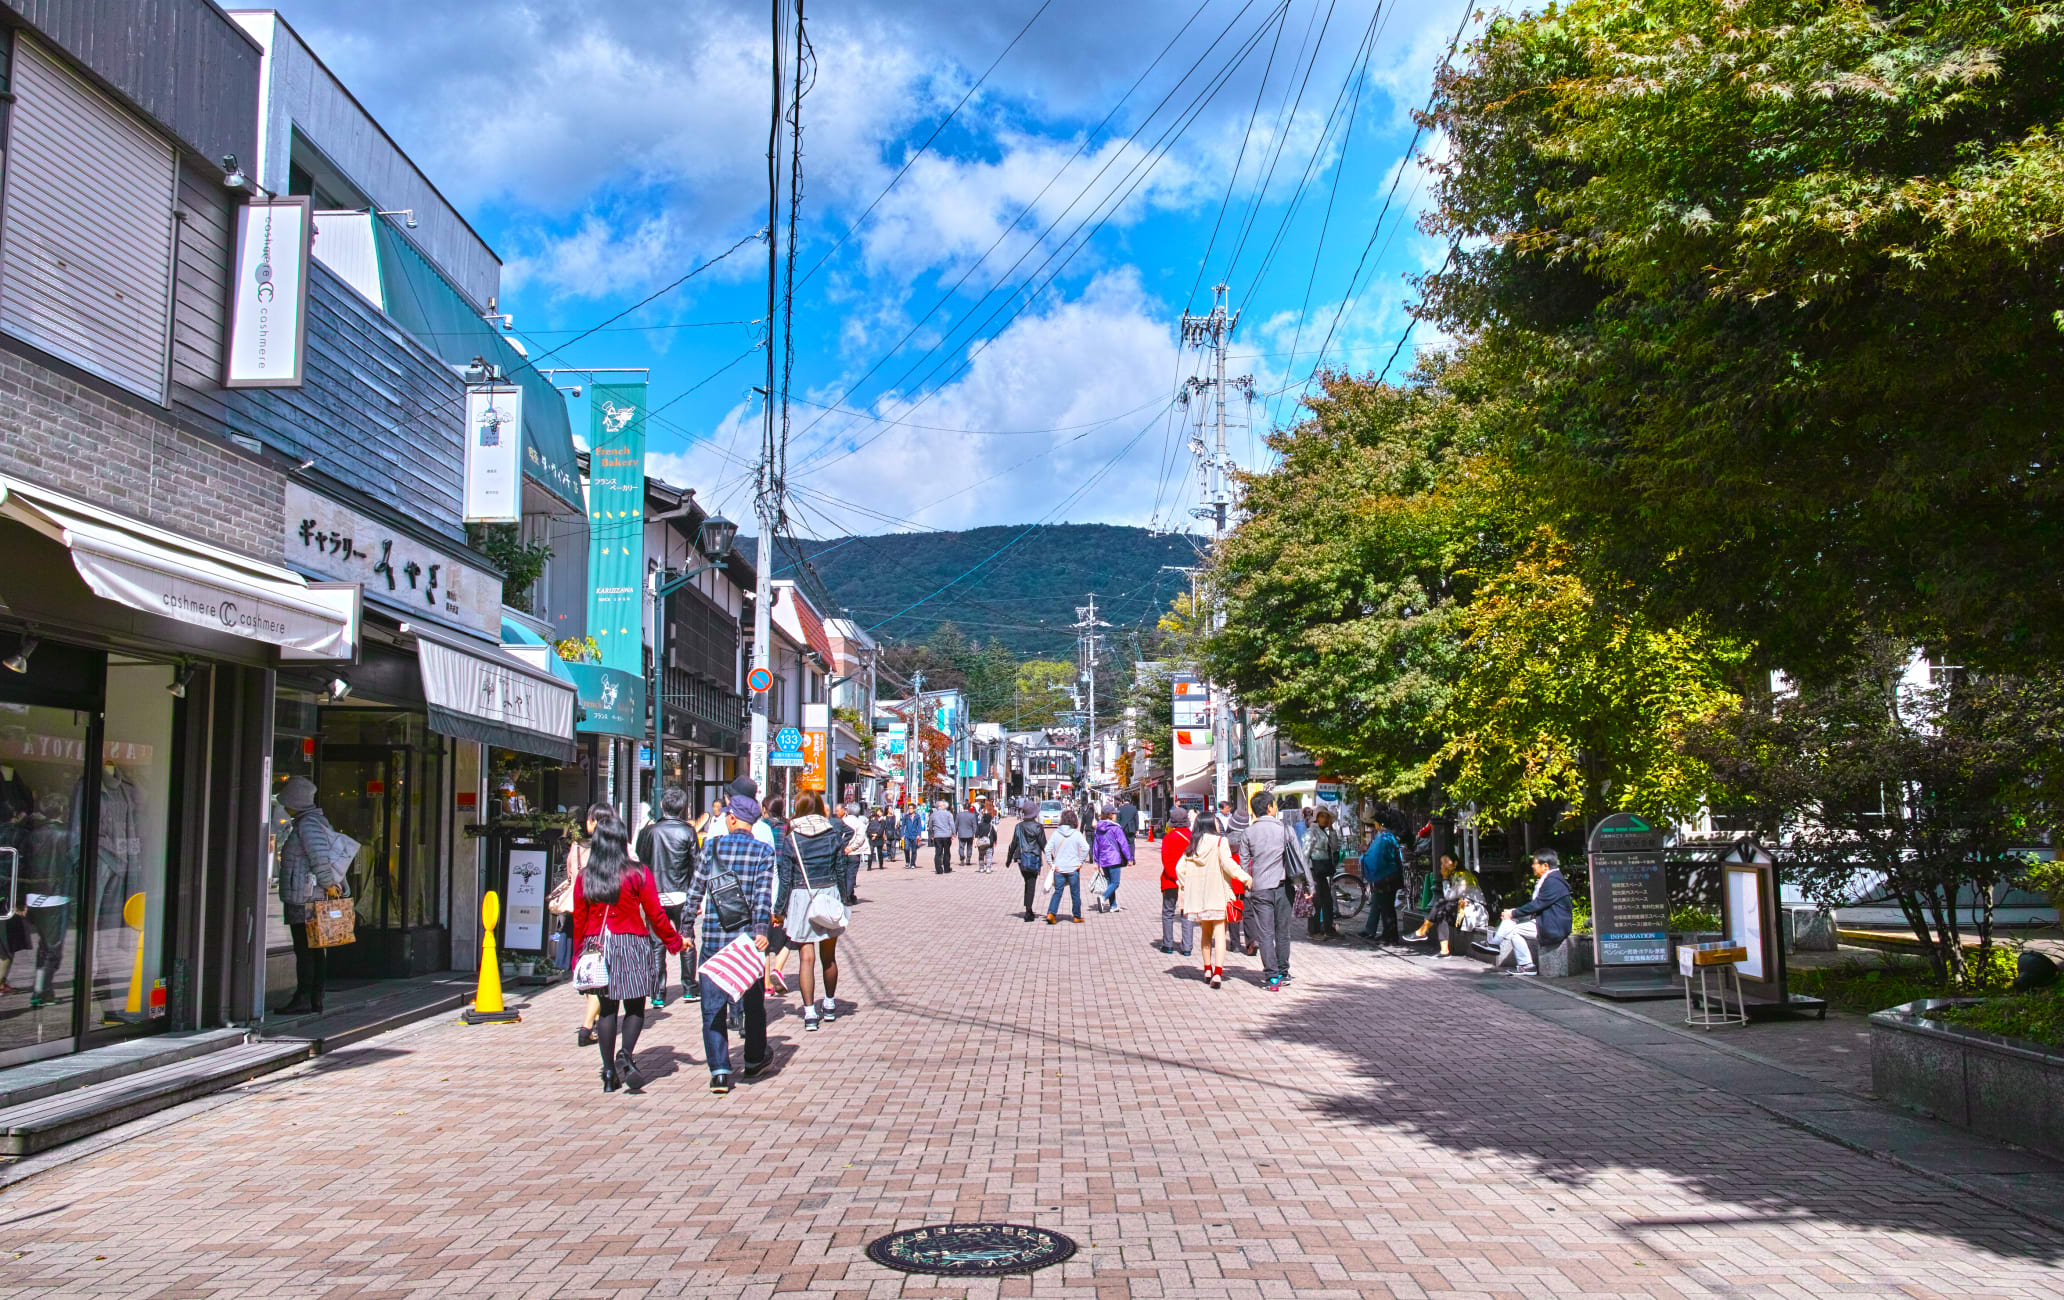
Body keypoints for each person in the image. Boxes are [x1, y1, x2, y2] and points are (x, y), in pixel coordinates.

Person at [571, 810, 687, 1094]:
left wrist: (576, 957)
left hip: (597, 946)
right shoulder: (638, 873)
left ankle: (609, 1072)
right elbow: (655, 915)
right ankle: (626, 1054)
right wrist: (674, 941)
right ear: (623, 841)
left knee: (608, 1009)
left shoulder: (586, 877)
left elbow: (579, 920)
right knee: (635, 1006)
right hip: (632, 943)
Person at [693, 793, 777, 1092]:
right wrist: (762, 930)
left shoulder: (711, 847)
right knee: (753, 1003)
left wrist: (686, 926)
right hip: (746, 942)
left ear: (731, 818)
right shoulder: (764, 852)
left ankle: (718, 1070)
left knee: (712, 1007)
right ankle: (754, 1060)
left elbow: (696, 890)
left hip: (715, 936)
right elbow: (763, 897)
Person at [771, 792, 852, 1031]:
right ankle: (828, 1004)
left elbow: (785, 878)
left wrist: (779, 909)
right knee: (829, 957)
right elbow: (841, 870)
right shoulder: (832, 834)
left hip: (801, 898)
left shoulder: (792, 838)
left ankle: (809, 1013)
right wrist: (845, 899)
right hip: (828, 895)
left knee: (806, 958)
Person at [276, 776, 348, 1015]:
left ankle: (306, 997)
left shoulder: (308, 825)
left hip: (306, 898)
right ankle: (313, 997)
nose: (284, 806)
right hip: (309, 895)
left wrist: (328, 884)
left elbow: (319, 858)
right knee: (314, 949)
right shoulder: (312, 822)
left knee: (307, 950)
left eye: (287, 801)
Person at [1240, 792, 1314, 991]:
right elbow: (1300, 859)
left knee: (1265, 934)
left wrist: (1246, 889)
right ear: (1269, 808)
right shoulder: (1285, 830)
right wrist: (1309, 885)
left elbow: (1244, 864)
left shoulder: (1248, 833)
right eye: (1274, 805)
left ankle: (1272, 978)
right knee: (1283, 932)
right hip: (1283, 888)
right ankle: (1283, 971)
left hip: (1259, 889)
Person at [635, 787, 701, 1007]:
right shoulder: (688, 832)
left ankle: (657, 992)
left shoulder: (649, 832)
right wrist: (696, 898)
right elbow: (696, 865)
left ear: (662, 805)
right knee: (686, 938)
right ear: (682, 808)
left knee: (656, 944)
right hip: (682, 894)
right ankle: (690, 988)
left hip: (655, 895)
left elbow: (641, 863)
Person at [1177, 813, 1250, 989]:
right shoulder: (1220, 842)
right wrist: (1245, 878)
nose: (1218, 824)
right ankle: (1218, 972)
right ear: (1211, 824)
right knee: (1219, 933)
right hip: (1217, 894)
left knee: (1205, 933)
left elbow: (1179, 868)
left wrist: (1189, 886)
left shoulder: (1193, 844)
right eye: (1216, 822)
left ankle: (1207, 969)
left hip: (1200, 898)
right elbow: (1228, 864)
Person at [1491, 849, 1573, 976]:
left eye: (1535, 863)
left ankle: (1524, 963)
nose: (1532, 866)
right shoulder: (1552, 879)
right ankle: (1495, 944)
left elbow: (1537, 904)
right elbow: (1539, 905)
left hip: (1553, 927)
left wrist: (1513, 913)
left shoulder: (1553, 882)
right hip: (1547, 921)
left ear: (1545, 866)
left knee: (1514, 931)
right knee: (1513, 923)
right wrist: (1514, 913)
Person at [1409, 853, 1488, 957]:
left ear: (1455, 863)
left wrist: (1445, 879)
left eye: (1446, 862)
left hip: (1473, 913)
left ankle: (1422, 931)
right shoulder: (1455, 875)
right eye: (1442, 863)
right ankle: (1444, 950)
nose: (1443, 865)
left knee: (1442, 905)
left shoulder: (1465, 876)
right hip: (1462, 912)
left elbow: (1449, 896)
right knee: (1441, 913)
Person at [1357, 816, 1405, 945]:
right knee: (1387, 907)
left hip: (1384, 877)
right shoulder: (1389, 837)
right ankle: (1388, 934)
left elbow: (1375, 858)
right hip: (1392, 876)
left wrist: (1363, 858)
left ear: (1379, 824)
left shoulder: (1383, 838)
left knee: (1386, 908)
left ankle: (1391, 937)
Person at [1043, 809, 1090, 924]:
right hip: (1073, 868)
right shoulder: (1076, 834)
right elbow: (1086, 848)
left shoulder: (1056, 833)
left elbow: (1047, 849)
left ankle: (1051, 913)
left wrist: (1050, 863)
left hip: (1059, 868)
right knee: (1075, 893)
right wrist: (1080, 862)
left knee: (1058, 892)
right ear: (1074, 820)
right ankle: (1077, 916)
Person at [1158, 810, 1195, 956]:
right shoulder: (1193, 838)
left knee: (1168, 912)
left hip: (1170, 880)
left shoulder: (1168, 838)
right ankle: (1187, 947)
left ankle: (1168, 944)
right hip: (1189, 881)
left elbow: (1166, 861)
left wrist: (1174, 876)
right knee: (1187, 913)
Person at [1304, 808, 1343, 940]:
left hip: (1322, 870)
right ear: (1317, 818)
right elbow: (1305, 853)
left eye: (1328, 817)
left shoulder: (1324, 832)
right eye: (1323, 817)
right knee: (1316, 901)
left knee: (1327, 900)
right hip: (1314, 869)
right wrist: (1306, 874)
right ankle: (1313, 930)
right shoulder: (1312, 832)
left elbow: (1334, 846)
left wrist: (1332, 830)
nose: (1326, 819)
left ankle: (1328, 928)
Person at [1091, 805, 1134, 913]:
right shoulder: (1115, 828)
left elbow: (1096, 845)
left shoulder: (1098, 828)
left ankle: (1113, 905)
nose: (1116, 815)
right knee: (1115, 883)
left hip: (1104, 859)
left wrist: (1096, 860)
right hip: (1114, 858)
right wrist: (1129, 858)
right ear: (1109, 815)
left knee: (1110, 882)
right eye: (1114, 813)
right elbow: (1123, 844)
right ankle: (1103, 897)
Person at [1005, 812, 1048, 921]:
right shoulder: (1038, 827)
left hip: (1021, 859)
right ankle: (1028, 911)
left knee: (1027, 882)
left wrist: (1009, 859)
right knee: (1031, 884)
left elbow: (1013, 843)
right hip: (1033, 859)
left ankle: (1028, 907)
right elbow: (1043, 844)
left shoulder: (1018, 826)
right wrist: (1051, 858)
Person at [839, 800, 869, 903]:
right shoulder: (860, 823)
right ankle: (847, 897)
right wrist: (851, 848)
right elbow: (860, 839)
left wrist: (844, 847)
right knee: (851, 875)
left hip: (842, 851)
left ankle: (848, 895)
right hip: (854, 852)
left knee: (843, 874)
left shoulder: (843, 821)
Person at [929, 799, 956, 874]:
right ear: (941, 806)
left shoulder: (933, 815)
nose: (945, 806)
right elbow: (952, 825)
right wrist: (953, 834)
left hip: (937, 836)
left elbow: (930, 826)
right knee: (947, 852)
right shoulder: (948, 814)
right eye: (943, 805)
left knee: (938, 853)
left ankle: (939, 869)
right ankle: (947, 868)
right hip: (946, 835)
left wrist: (931, 834)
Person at [974, 802, 999, 872]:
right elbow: (994, 835)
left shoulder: (980, 825)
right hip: (989, 843)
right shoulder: (991, 826)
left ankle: (981, 868)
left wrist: (975, 843)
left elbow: (976, 834)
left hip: (981, 843)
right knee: (989, 856)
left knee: (981, 856)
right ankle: (988, 868)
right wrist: (995, 841)